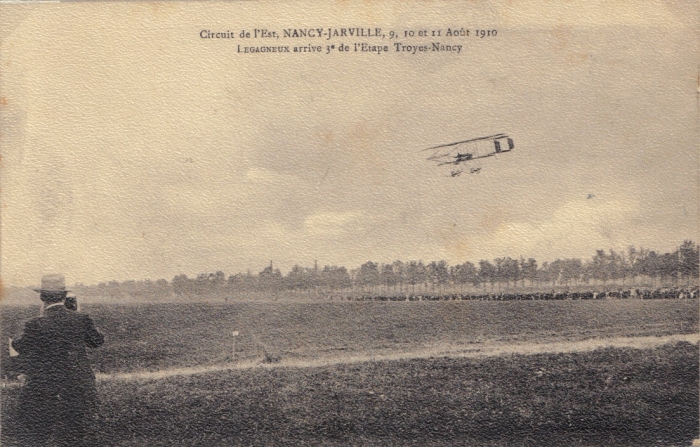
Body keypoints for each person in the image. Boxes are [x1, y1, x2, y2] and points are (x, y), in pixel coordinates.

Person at [12, 274, 104, 447]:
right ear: (64, 296)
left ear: (42, 297)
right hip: (79, 384)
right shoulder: (81, 319)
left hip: (44, 385)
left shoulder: (35, 323)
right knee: (74, 433)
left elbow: (20, 346)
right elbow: (97, 341)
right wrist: (78, 314)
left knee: (38, 433)